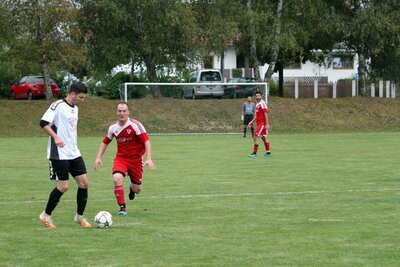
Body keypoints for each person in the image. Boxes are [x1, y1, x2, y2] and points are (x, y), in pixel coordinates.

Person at [39, 81, 92, 228]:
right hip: (59, 154)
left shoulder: (75, 108)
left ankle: (79, 217)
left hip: (73, 153)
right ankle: (46, 215)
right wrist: (56, 137)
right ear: (72, 94)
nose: (83, 100)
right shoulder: (57, 106)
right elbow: (43, 122)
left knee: (84, 183)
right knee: (63, 186)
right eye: (81, 97)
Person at [93, 101, 156, 216]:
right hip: (121, 159)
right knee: (117, 178)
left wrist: (149, 158)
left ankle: (132, 189)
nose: (122, 113)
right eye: (119, 111)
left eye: (124, 111)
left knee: (137, 189)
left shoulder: (135, 125)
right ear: (116, 112)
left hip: (136, 160)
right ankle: (122, 208)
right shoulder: (113, 127)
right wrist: (98, 157)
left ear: (128, 112)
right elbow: (105, 142)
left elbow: (146, 141)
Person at [248, 91, 271, 158]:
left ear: (261, 96)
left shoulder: (263, 103)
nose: (257, 97)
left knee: (255, 136)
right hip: (259, 124)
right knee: (264, 137)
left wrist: (267, 124)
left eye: (259, 96)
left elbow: (266, 113)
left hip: (262, 124)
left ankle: (254, 153)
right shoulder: (257, 104)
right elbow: (257, 115)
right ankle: (268, 152)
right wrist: (251, 122)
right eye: (256, 96)